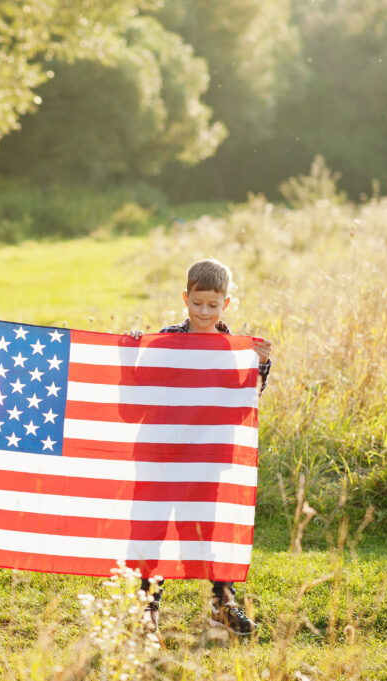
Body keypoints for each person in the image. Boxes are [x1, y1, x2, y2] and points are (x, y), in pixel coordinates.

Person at [130, 257, 272, 636]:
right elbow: (140, 388)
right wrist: (132, 352)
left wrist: (260, 364)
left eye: (213, 305)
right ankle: (147, 606)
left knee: (209, 528)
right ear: (185, 298)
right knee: (152, 528)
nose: (204, 311)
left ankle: (222, 602)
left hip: (209, 456)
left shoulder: (234, 348)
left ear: (226, 303)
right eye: (197, 303)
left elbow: (247, 403)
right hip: (160, 454)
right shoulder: (167, 339)